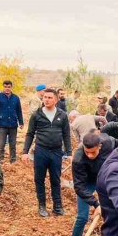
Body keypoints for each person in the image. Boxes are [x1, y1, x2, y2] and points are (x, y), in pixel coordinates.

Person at [22, 89, 72, 217]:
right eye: (45, 97)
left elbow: (66, 135)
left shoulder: (62, 115)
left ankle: (57, 206)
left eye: (50, 97)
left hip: (56, 152)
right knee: (39, 179)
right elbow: (30, 134)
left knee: (55, 179)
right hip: (41, 151)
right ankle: (42, 206)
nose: (47, 100)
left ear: (55, 100)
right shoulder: (37, 114)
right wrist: (25, 152)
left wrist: (69, 152)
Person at [68, 130, 118, 236]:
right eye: (87, 152)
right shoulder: (78, 159)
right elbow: (79, 186)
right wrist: (96, 204)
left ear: (99, 147)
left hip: (106, 179)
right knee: (82, 217)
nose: (90, 155)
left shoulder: (108, 143)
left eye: (93, 152)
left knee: (115, 211)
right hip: (87, 183)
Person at [0, 80, 24, 163]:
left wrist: (21, 122)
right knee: (1, 143)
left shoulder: (16, 98)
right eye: (5, 87)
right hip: (2, 124)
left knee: (13, 144)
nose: (7, 88)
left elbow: (19, 111)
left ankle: (13, 160)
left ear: (11, 87)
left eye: (9, 87)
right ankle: (0, 159)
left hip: (13, 124)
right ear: (3, 87)